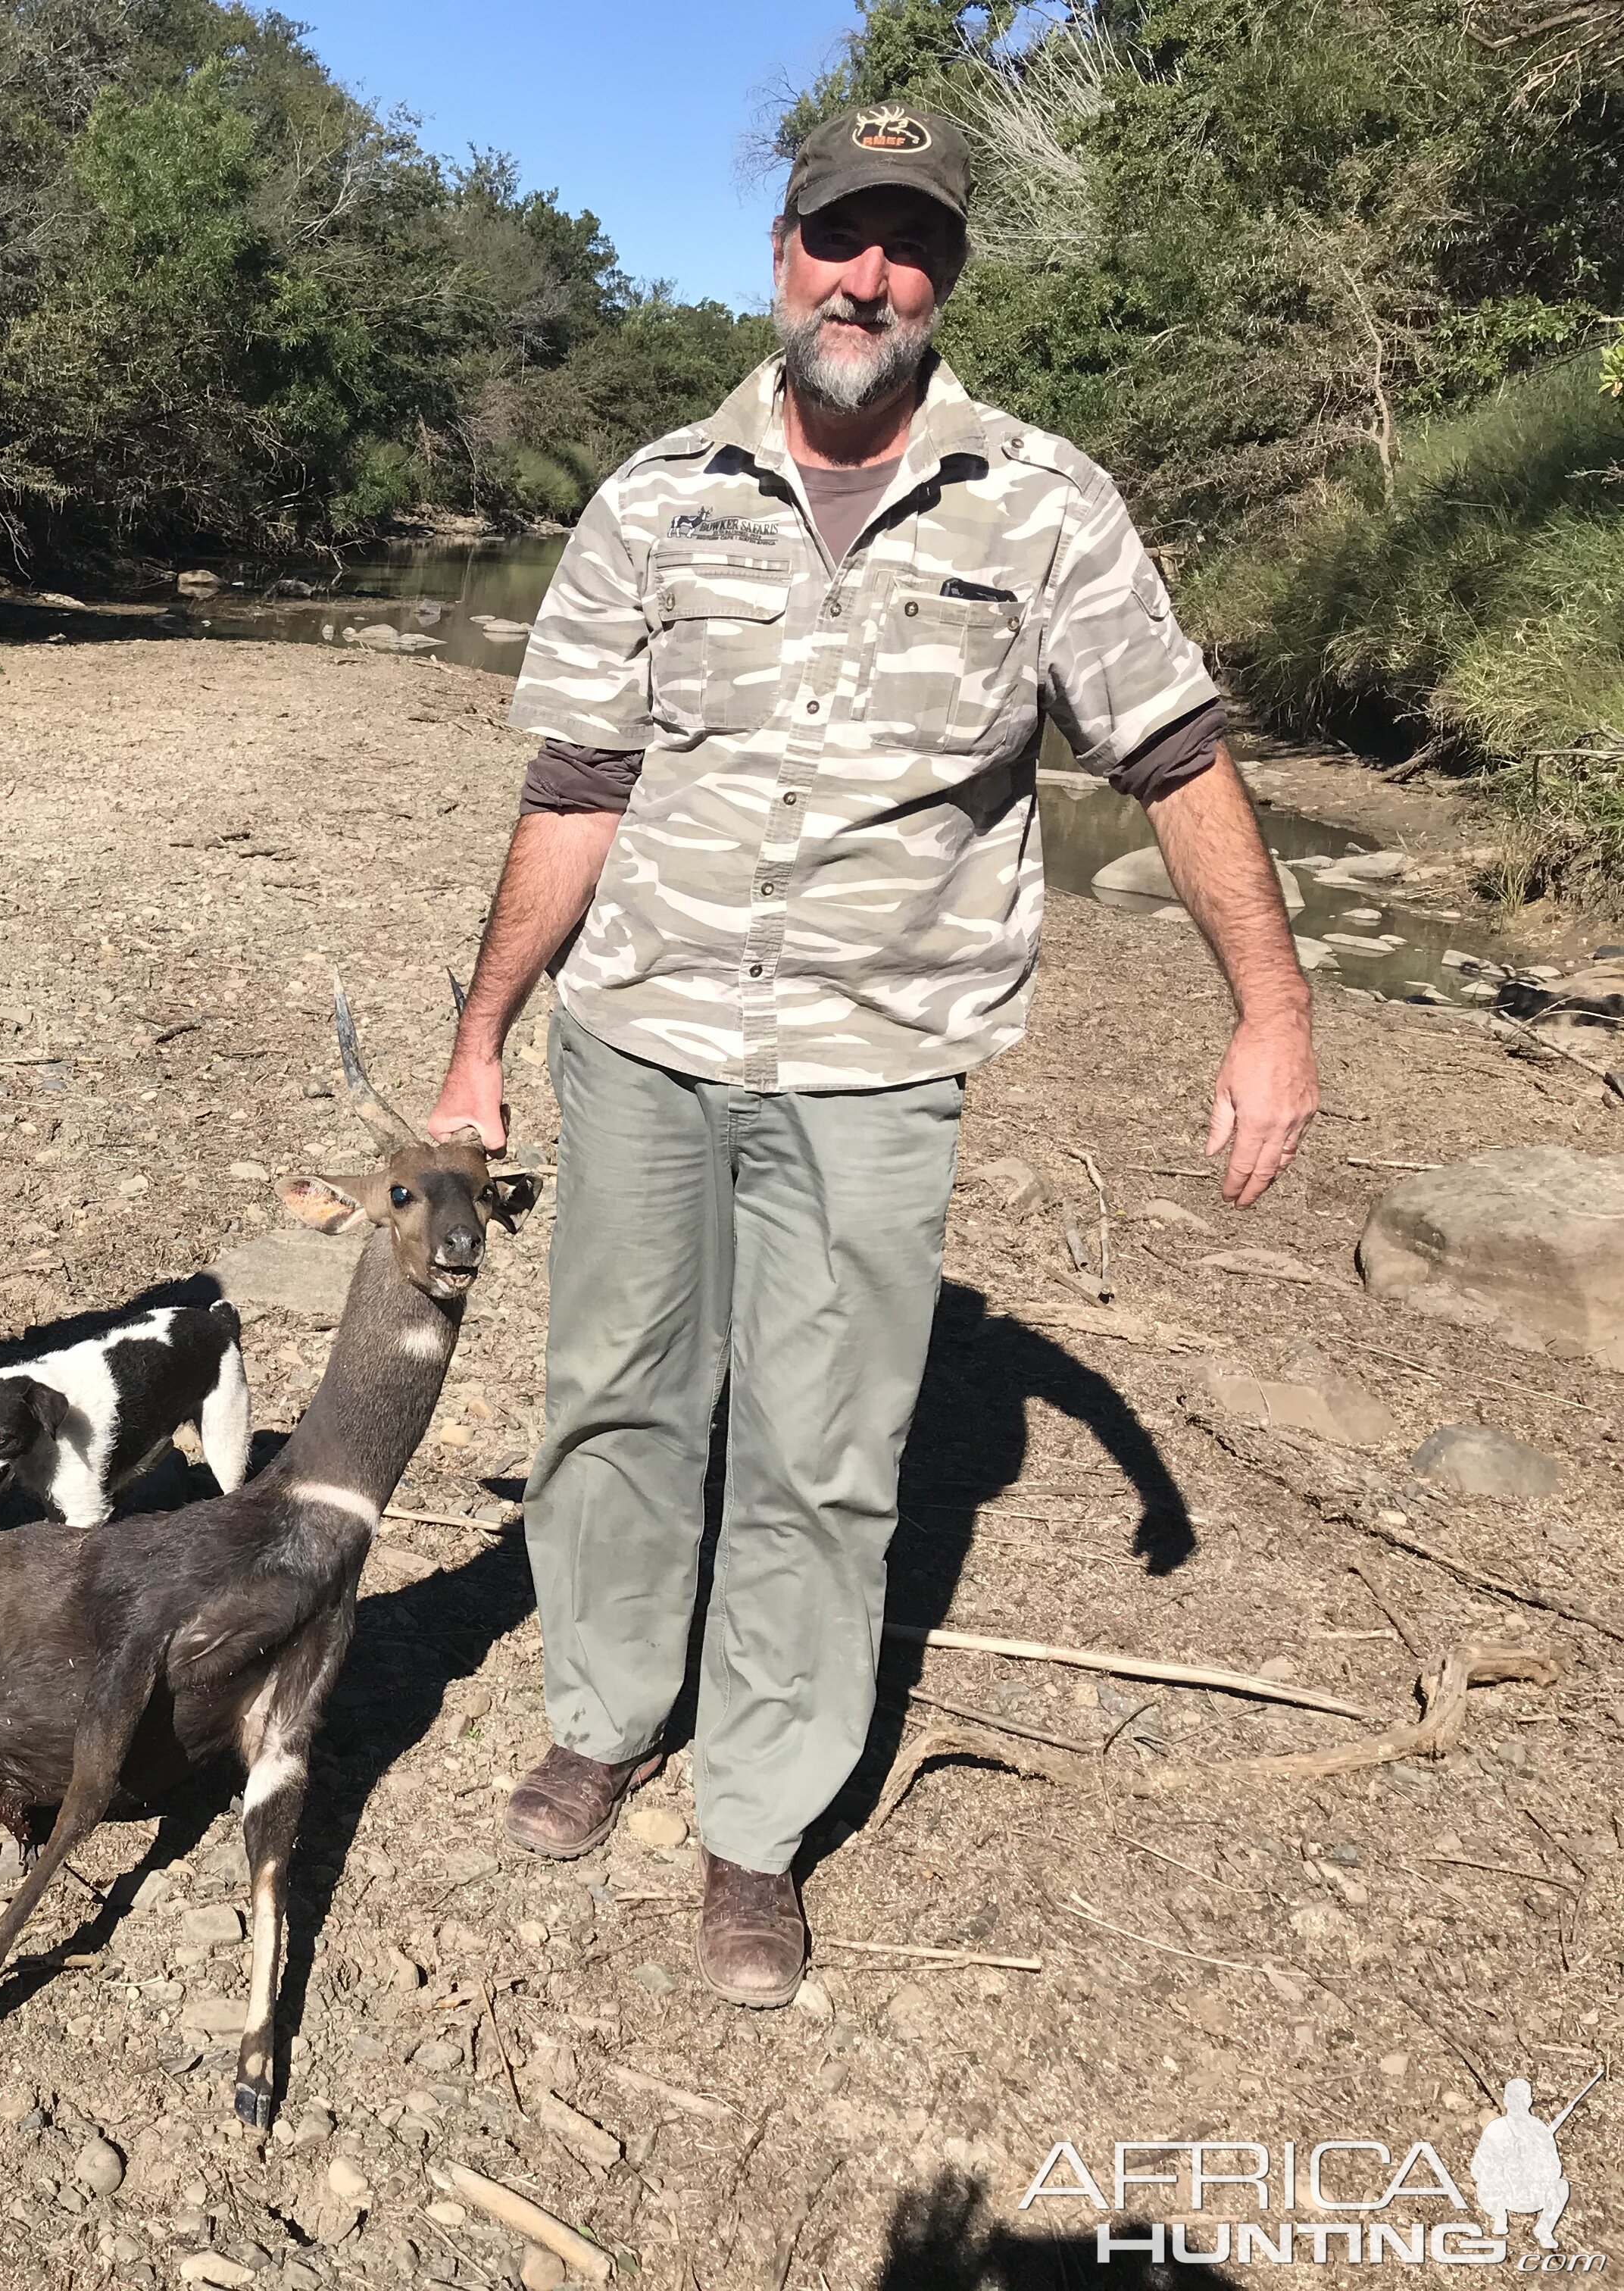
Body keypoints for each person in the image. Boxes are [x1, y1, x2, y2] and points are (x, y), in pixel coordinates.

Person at [426, 106, 1318, 2009]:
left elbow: (1170, 753)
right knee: (613, 1400)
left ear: (947, 279)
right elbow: (578, 785)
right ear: (782, 254)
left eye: (909, 244)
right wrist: (479, 1035)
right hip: (645, 1035)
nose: (869, 277)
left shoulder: (1048, 503)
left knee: (827, 1462)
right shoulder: (657, 496)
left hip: (880, 1066)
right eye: (842, 236)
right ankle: (604, 1712)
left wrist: (1275, 1009)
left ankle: (755, 1825)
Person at [1473, 2078, 1573, 2249]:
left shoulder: (1538, 2129)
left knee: (1561, 2186)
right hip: (1504, 2195)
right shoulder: (1498, 2128)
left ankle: (1543, 2229)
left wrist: (1533, 2166)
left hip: (1530, 2196)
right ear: (1529, 2100)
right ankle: (1499, 2217)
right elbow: (1479, 2168)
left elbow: (1555, 2169)